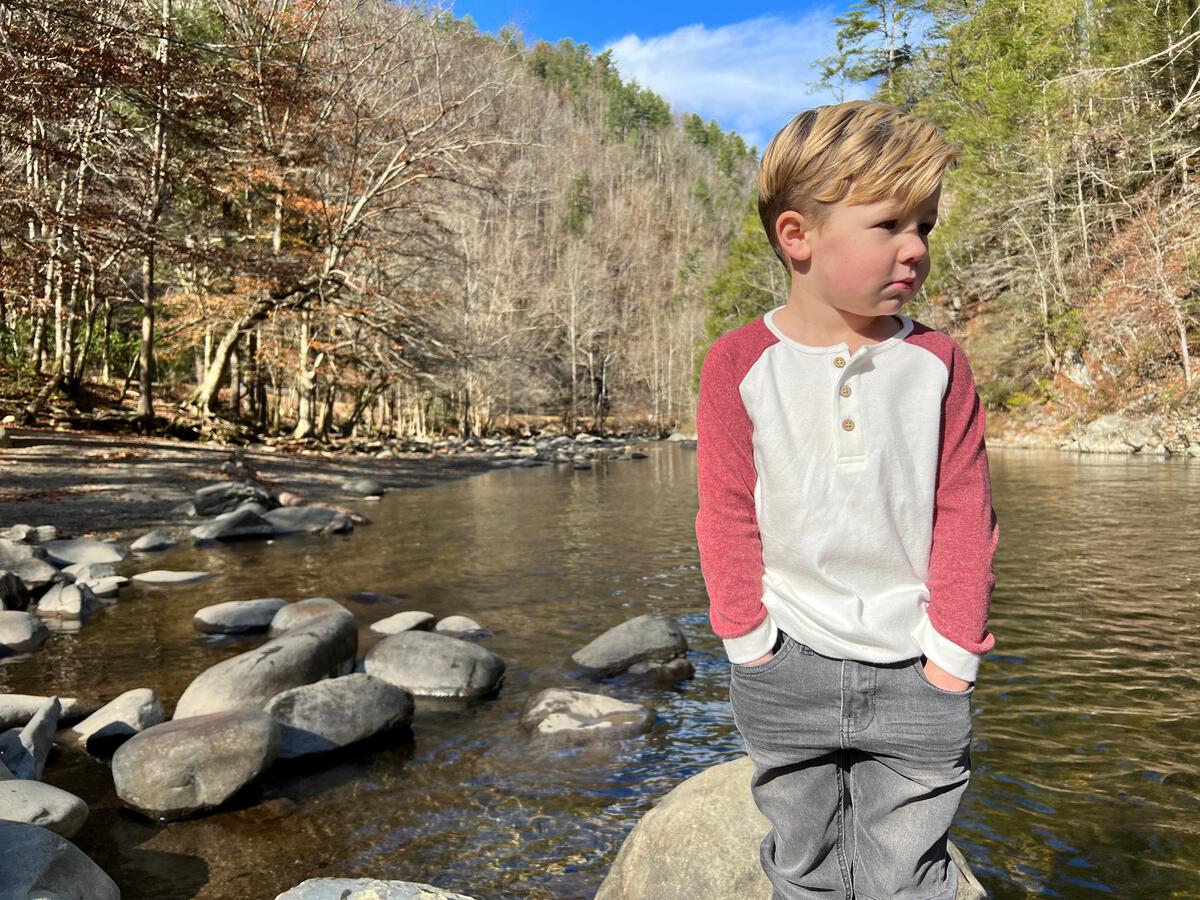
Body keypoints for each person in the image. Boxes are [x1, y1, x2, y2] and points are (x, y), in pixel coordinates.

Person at [694, 100, 998, 900]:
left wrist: (952, 656)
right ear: (798, 236)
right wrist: (747, 640)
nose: (916, 249)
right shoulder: (738, 363)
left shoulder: (938, 363)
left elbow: (966, 512)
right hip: (785, 661)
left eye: (925, 226)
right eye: (890, 223)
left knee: (909, 878)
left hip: (917, 668)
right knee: (803, 869)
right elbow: (725, 509)